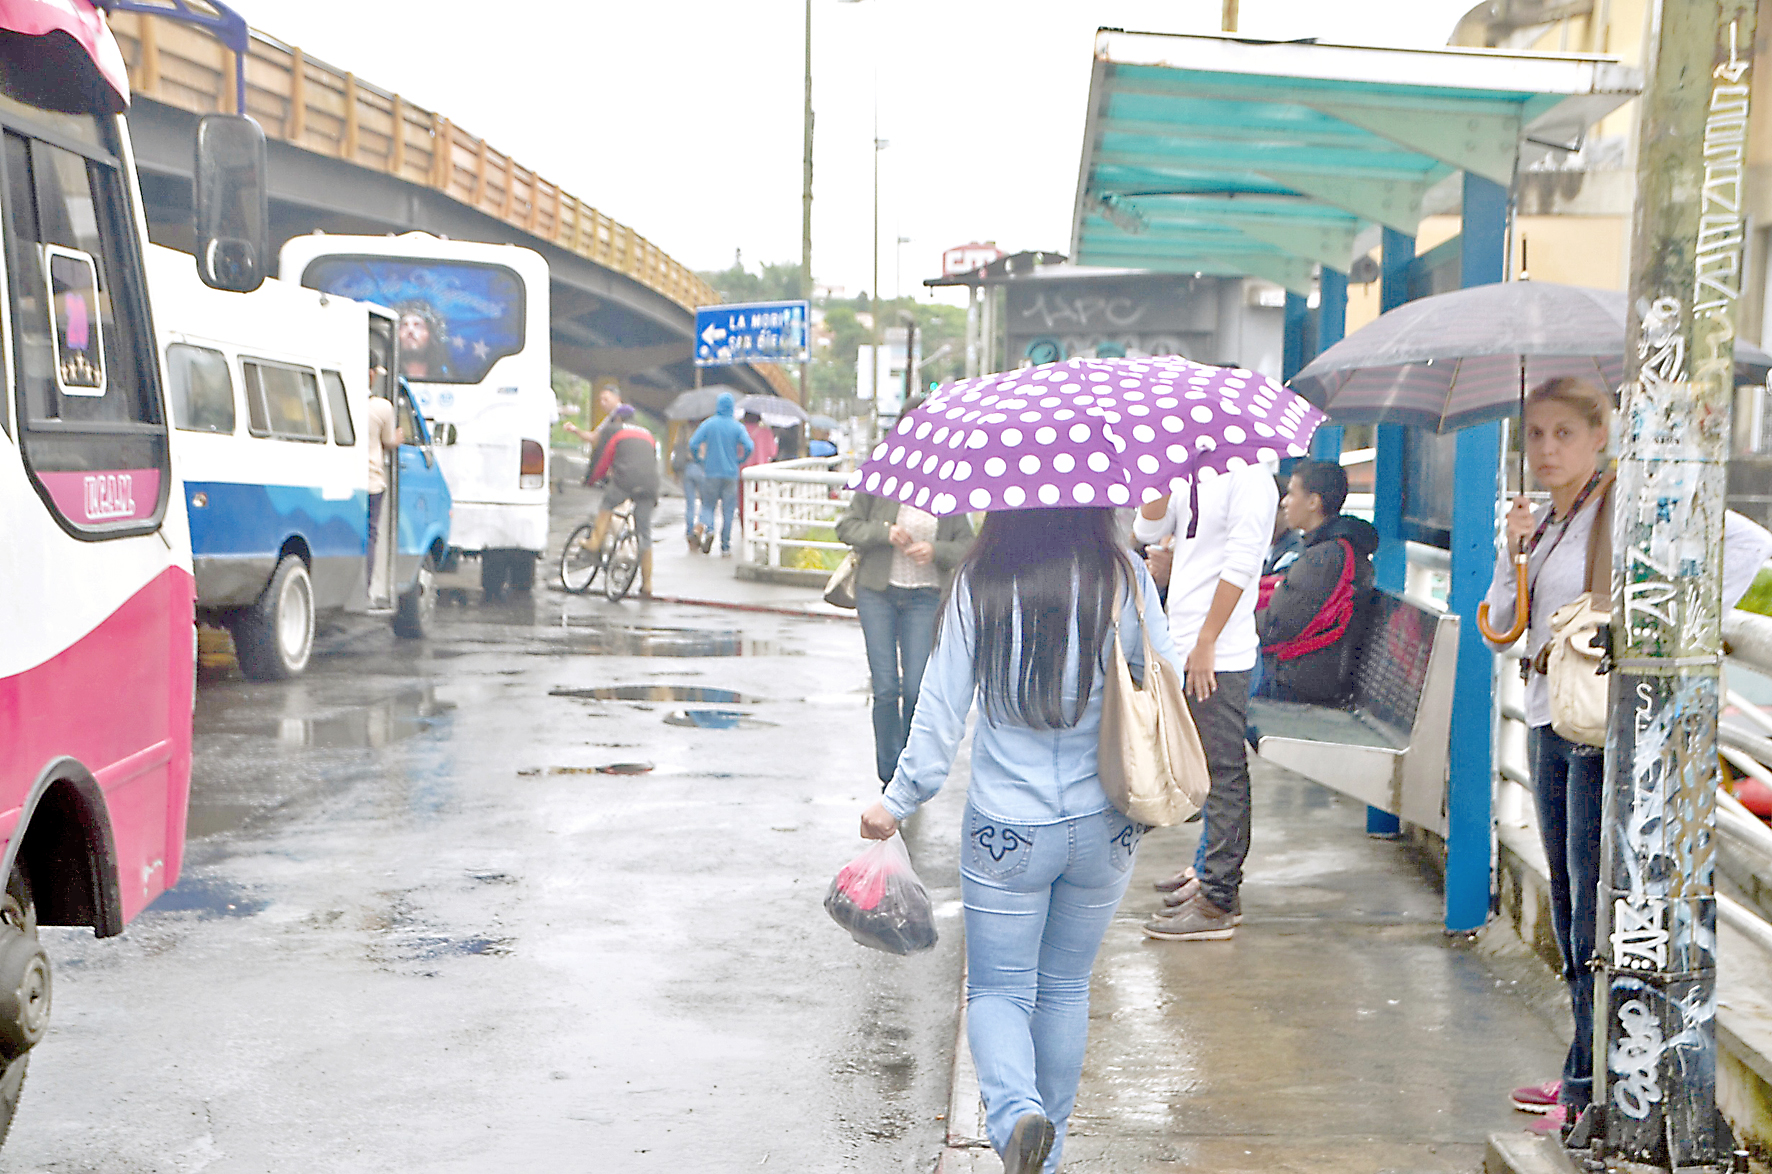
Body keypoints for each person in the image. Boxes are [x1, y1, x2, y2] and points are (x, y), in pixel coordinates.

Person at [1486, 377, 1772, 1131]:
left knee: (1591, 914)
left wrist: (1670, 632)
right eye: (1536, 434)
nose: (1548, 449)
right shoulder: (1546, 521)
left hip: (1600, 729)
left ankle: (1588, 1087)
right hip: (1550, 717)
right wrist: (1511, 551)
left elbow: (1747, 545)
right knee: (1570, 898)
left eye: (1565, 434)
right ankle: (1580, 1068)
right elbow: (1509, 621)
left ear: (1601, 436)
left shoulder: (1631, 503)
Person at [857, 508, 1178, 1174]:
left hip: (1008, 828)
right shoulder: (1121, 576)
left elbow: (941, 708)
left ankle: (1012, 1116)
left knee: (1001, 991)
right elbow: (1162, 675)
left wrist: (897, 800)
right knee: (1064, 987)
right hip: (1106, 822)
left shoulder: (982, 579)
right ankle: (1046, 1154)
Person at [1132, 462, 1279, 942]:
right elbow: (1146, 527)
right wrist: (1158, 472)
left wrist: (1208, 640)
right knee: (1204, 768)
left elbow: (1242, 564)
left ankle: (1219, 899)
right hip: (1187, 641)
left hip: (1220, 652)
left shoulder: (1251, 478)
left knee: (1222, 771)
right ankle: (1209, 877)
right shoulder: (1195, 472)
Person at [835, 478, 976, 785]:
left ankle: (909, 767)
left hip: (924, 597)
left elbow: (968, 544)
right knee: (885, 687)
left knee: (915, 688)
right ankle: (890, 773)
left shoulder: (948, 488)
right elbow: (846, 527)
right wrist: (884, 533)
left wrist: (935, 550)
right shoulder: (881, 482)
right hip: (876, 593)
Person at [1255, 459, 1378, 704]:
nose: (1284, 502)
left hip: (1298, 683)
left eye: (1291, 493)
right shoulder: (1333, 550)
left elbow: (1274, 626)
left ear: (1313, 502)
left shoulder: (1323, 559)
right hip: (1312, 675)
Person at [579, 404, 661, 597]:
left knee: (607, 504)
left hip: (625, 481)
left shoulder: (616, 432)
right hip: (650, 485)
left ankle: (595, 542)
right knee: (644, 534)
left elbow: (604, 461)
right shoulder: (648, 435)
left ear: (617, 419)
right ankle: (647, 584)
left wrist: (591, 480)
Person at [687, 392, 753, 557]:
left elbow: (693, 443)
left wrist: (699, 459)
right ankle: (725, 547)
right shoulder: (737, 426)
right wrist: (741, 459)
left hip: (711, 472)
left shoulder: (709, 424)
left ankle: (709, 529)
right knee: (728, 510)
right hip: (731, 473)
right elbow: (749, 446)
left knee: (708, 505)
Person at [363, 367, 401, 590]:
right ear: (370, 374)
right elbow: (388, 441)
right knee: (369, 535)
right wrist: (397, 438)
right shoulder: (381, 407)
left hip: (344, 483)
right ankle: (365, 587)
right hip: (371, 483)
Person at [673, 422, 709, 554]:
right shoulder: (706, 427)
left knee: (690, 504)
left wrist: (676, 470)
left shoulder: (683, 428)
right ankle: (698, 528)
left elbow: (677, 448)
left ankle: (689, 534)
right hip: (703, 467)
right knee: (707, 503)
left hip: (688, 467)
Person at [394, 300, 451, 380]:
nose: (410, 330)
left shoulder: (444, 376)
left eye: (418, 325)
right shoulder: (386, 376)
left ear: (431, 335)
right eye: (404, 325)